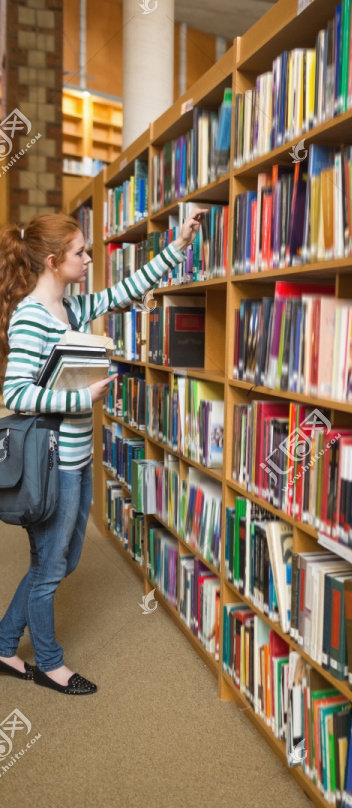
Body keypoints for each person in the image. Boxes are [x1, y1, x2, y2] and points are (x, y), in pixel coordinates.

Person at [0, 211, 201, 695]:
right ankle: (49, 663)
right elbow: (16, 394)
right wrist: (79, 399)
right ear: (53, 261)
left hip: (78, 456)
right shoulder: (31, 317)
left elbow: (127, 289)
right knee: (51, 566)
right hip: (53, 465)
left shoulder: (73, 307)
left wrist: (179, 245)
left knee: (61, 561)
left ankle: (4, 642)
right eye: (80, 253)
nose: (90, 259)